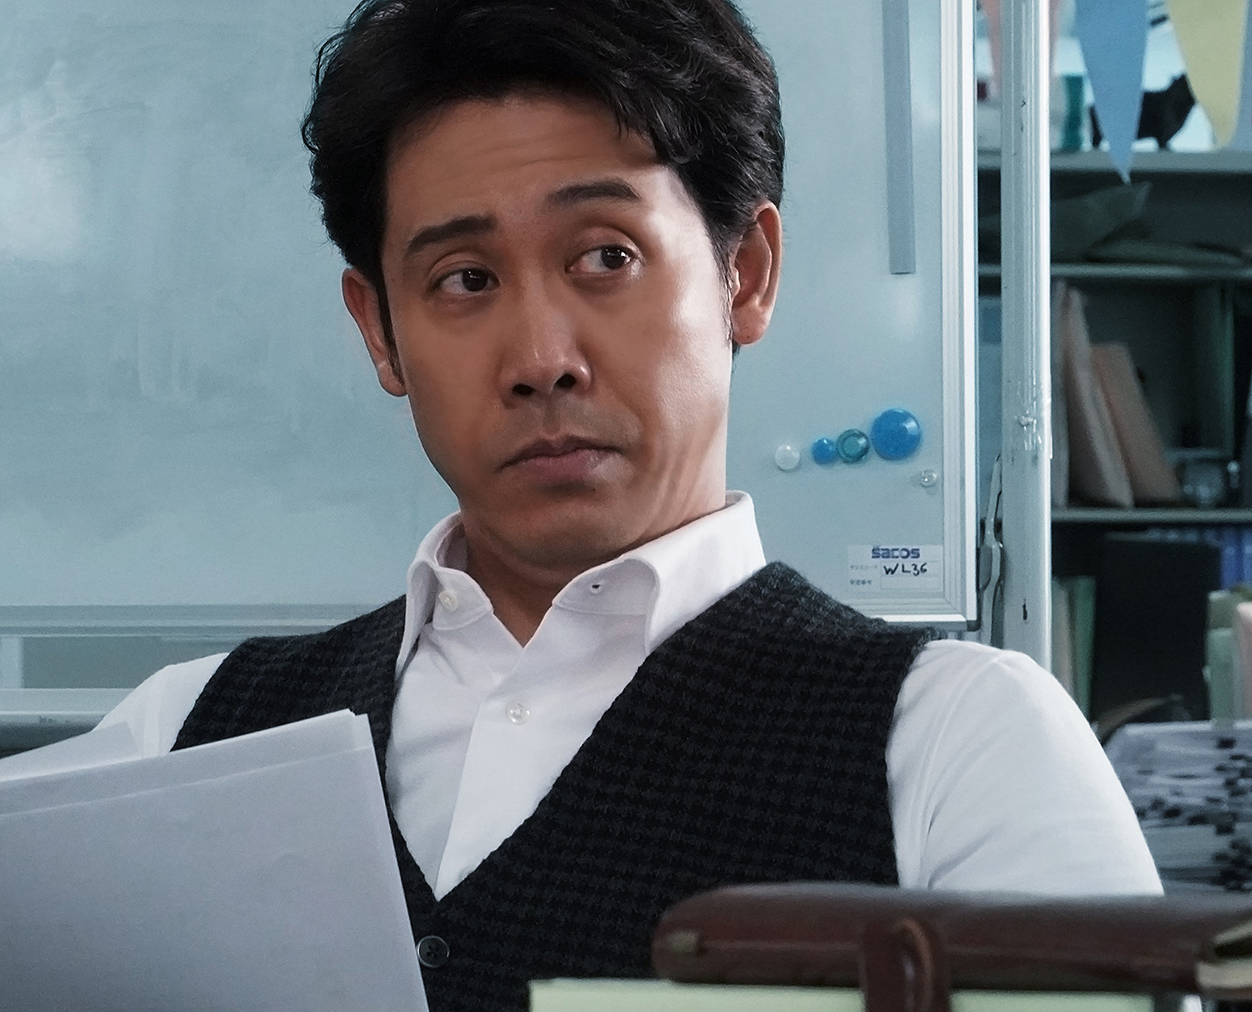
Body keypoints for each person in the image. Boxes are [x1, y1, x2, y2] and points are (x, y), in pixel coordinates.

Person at [99, 0, 1160, 1007]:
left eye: (606, 257)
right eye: (464, 279)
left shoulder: (960, 748)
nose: (540, 360)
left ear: (744, 272)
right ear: (380, 332)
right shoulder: (176, 744)